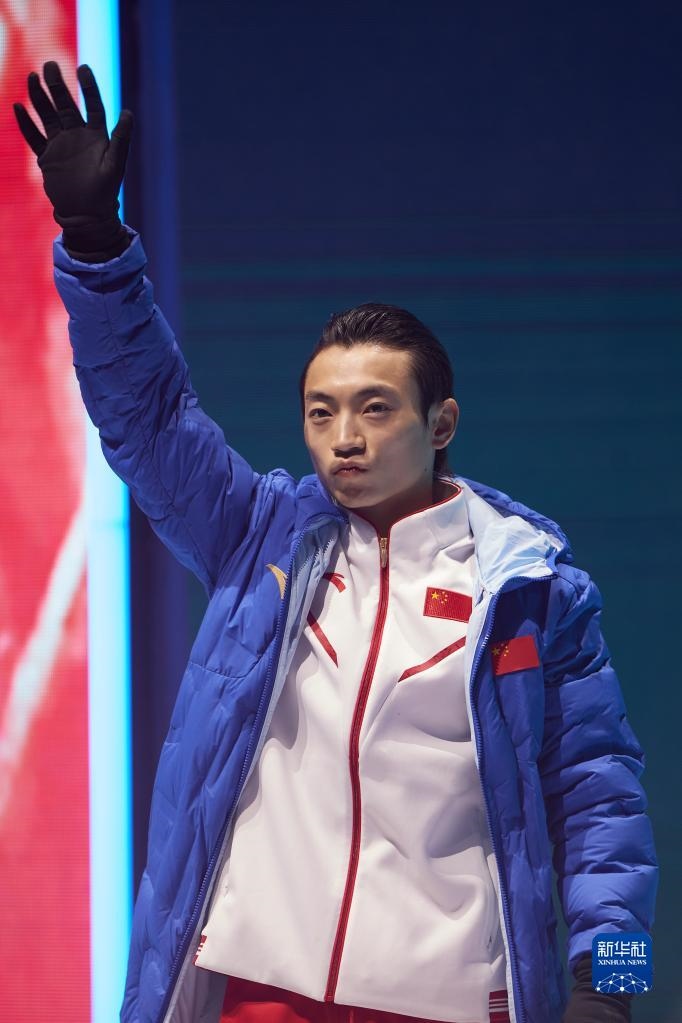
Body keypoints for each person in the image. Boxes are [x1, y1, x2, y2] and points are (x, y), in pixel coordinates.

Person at [13, 62, 658, 1023]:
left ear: (442, 423)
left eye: (375, 408)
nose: (344, 438)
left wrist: (616, 987)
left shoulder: (533, 593)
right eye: (321, 412)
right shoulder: (259, 536)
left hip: (446, 1003)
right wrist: (96, 244)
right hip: (256, 994)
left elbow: (603, 806)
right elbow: (149, 415)